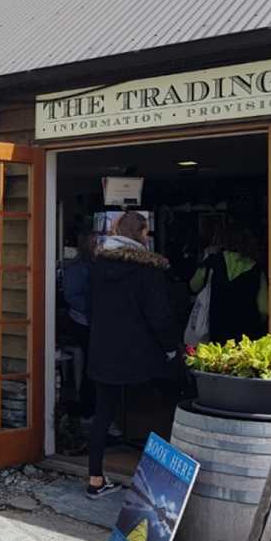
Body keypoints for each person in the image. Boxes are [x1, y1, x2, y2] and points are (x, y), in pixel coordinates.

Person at [86, 212, 181, 499]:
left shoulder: (98, 265)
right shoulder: (147, 269)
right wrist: (171, 349)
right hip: (143, 353)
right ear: (140, 233)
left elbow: (91, 306)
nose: (147, 237)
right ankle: (162, 484)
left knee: (102, 414)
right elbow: (159, 316)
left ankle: (95, 480)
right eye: (146, 232)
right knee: (165, 408)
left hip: (104, 350)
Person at [189, 225, 268, 344]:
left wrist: (206, 257)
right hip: (248, 332)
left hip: (218, 329)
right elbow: (263, 308)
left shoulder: (212, 262)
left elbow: (193, 286)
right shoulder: (257, 269)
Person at [63, 230, 97, 417]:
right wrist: (93, 308)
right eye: (93, 241)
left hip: (94, 322)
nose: (97, 244)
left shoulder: (97, 264)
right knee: (89, 366)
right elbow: (71, 296)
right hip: (82, 322)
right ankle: (86, 407)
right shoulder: (77, 267)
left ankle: (91, 406)